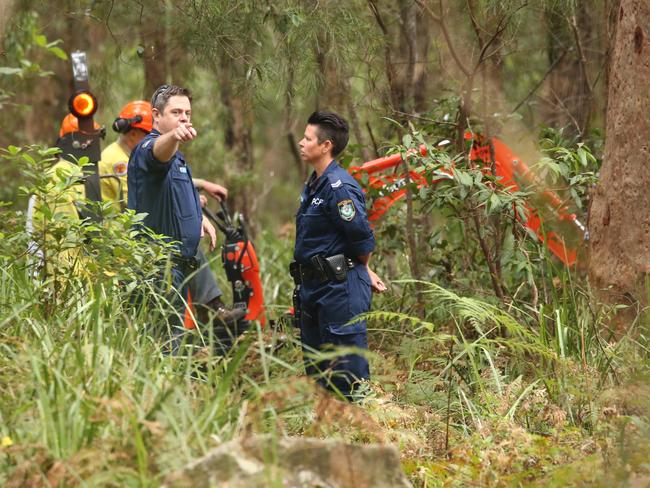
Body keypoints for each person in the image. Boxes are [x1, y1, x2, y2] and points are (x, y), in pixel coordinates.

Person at [100, 100, 242, 326]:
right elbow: (140, 197)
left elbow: (163, 179)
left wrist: (200, 185)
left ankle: (207, 310)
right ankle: (210, 308)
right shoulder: (117, 160)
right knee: (182, 244)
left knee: (186, 243)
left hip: (138, 229)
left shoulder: (129, 153)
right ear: (135, 133)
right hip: (123, 235)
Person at [291, 110, 387, 400]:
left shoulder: (340, 187)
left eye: (307, 139)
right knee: (320, 378)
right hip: (313, 289)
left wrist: (360, 268)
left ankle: (363, 439)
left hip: (339, 289)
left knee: (348, 376)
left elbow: (362, 240)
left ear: (326, 146)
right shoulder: (314, 184)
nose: (300, 143)